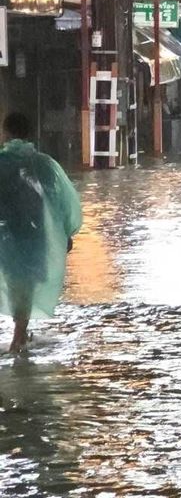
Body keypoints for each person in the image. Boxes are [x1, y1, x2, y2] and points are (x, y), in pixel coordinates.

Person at [0, 113, 82, 353]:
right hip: (36, 236)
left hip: (6, 234)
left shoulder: (2, 163)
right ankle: (19, 337)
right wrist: (66, 232)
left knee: (14, 281)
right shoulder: (45, 165)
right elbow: (63, 202)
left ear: (5, 133)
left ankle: (19, 339)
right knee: (26, 282)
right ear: (30, 133)